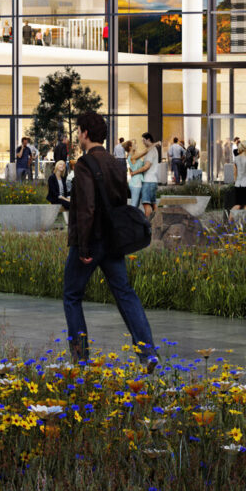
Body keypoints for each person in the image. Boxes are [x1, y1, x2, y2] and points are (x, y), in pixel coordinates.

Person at [62, 111, 157, 370]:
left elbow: (86, 209)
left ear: (85, 133)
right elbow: (120, 198)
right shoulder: (116, 163)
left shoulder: (84, 164)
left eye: (79, 130)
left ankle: (80, 359)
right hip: (114, 240)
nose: (78, 135)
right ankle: (148, 353)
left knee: (71, 295)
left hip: (91, 241)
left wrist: (82, 246)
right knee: (125, 293)